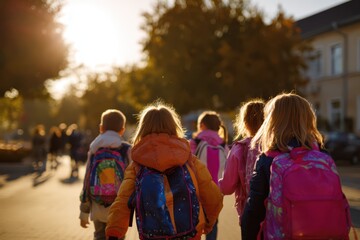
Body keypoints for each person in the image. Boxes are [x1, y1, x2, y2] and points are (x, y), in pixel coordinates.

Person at [106, 102, 223, 240]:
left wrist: (114, 232)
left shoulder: (137, 165)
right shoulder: (189, 159)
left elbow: (123, 202)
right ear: (173, 126)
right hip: (190, 234)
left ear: (143, 128)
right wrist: (209, 223)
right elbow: (212, 196)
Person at [240, 93, 339, 239]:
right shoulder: (324, 156)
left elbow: (254, 211)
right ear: (308, 120)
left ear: (272, 122)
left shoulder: (267, 159)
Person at [79, 109, 130, 240]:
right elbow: (132, 178)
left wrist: (84, 211)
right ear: (122, 130)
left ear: (101, 128)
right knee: (118, 236)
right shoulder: (126, 149)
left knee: (100, 235)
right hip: (119, 205)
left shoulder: (94, 149)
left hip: (97, 204)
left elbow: (87, 180)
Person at [218, 99, 264, 225]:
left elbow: (227, 187)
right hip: (277, 214)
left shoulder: (239, 149)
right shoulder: (277, 145)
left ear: (245, 123)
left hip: (250, 213)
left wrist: (213, 185)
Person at [189, 110, 229, 240]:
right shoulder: (223, 144)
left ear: (202, 125)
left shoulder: (195, 142)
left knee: (194, 225)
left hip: (196, 192)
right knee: (213, 224)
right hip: (216, 192)